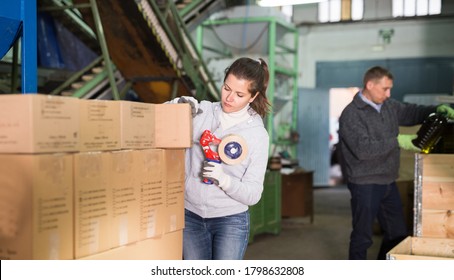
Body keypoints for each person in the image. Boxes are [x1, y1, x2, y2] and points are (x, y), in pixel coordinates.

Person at [338, 66, 454, 260]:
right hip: (364, 183)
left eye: (390, 89)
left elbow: (412, 112)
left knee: (397, 235)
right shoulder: (351, 114)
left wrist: (436, 110)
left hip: (388, 181)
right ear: (370, 85)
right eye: (385, 89)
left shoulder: (389, 106)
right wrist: (397, 141)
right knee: (363, 237)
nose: (388, 93)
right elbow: (362, 150)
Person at [169, 57, 271, 260]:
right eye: (226, 88)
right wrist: (176, 105)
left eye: (239, 94)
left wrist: (225, 180)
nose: (229, 98)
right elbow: (158, 119)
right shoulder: (202, 112)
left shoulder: (257, 136)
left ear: (253, 96)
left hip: (230, 220)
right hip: (190, 215)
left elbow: (253, 194)